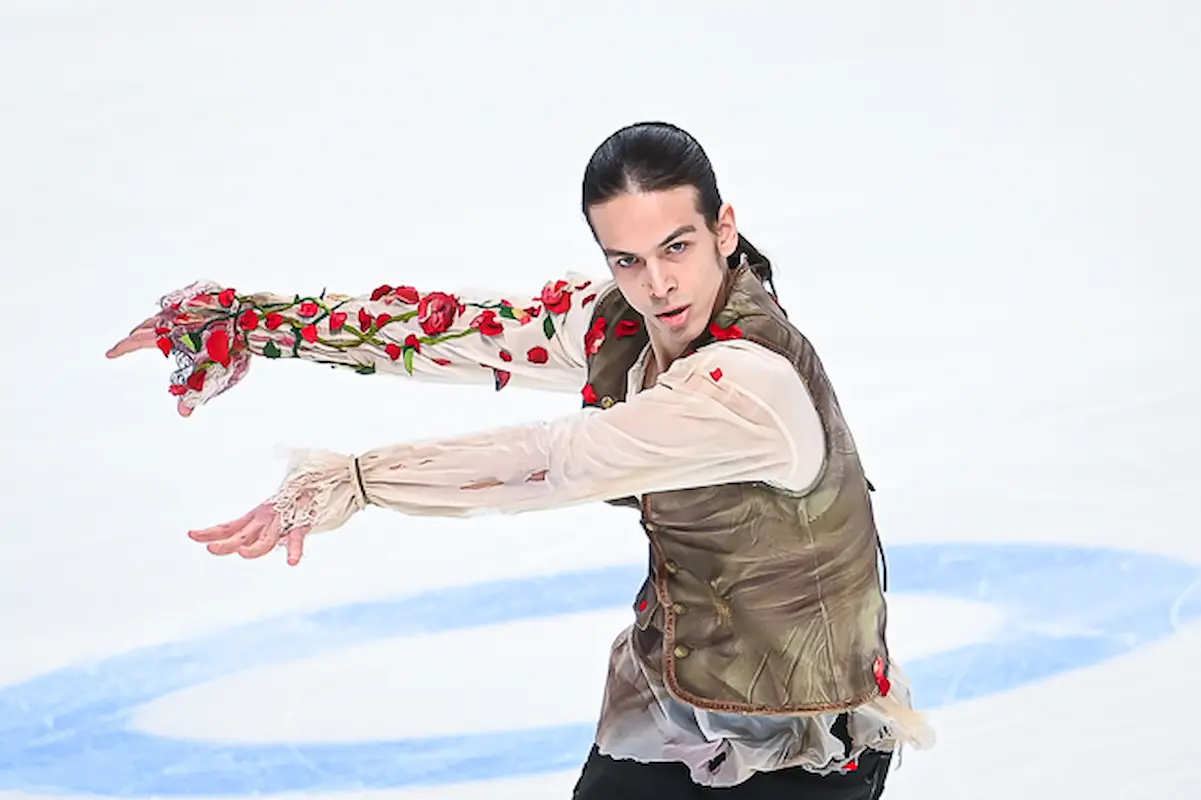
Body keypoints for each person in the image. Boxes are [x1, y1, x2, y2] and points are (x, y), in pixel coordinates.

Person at [107, 121, 934, 798]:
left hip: (802, 742)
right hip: (673, 706)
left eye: (676, 247)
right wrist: (251, 321)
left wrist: (357, 481)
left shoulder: (747, 384)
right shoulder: (622, 323)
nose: (655, 285)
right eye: (627, 260)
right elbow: (455, 332)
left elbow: (557, 461)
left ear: (724, 228)